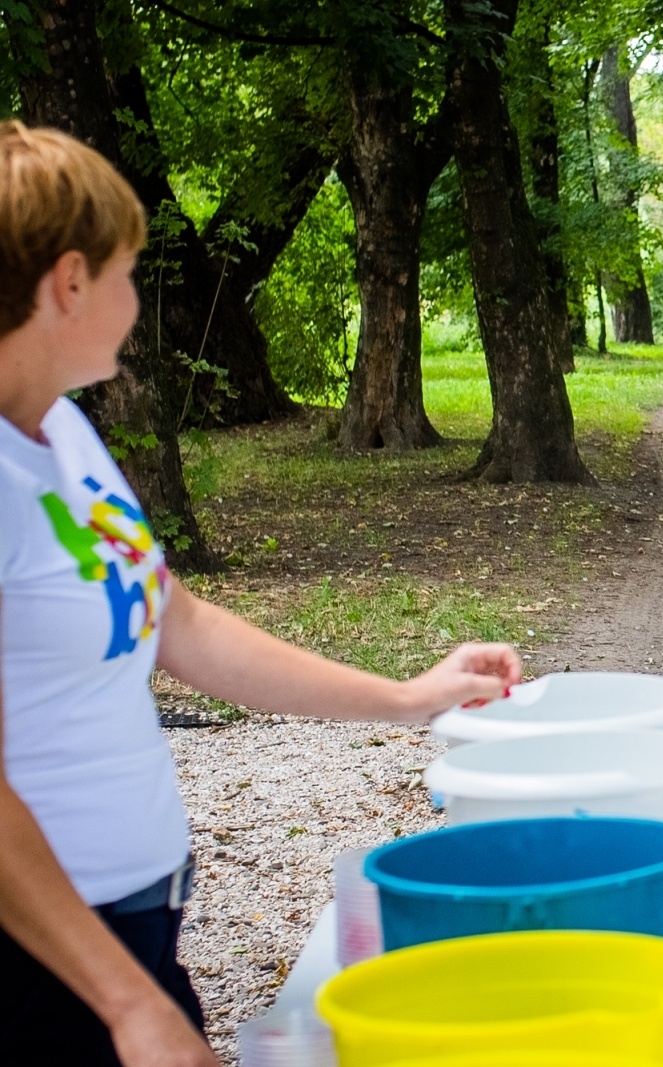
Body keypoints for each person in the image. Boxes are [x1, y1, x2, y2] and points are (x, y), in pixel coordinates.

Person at [0, 121, 522, 1066]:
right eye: (125, 272)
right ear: (68, 282)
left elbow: (181, 624)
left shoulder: (61, 437)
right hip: (44, 961)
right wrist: (126, 1005)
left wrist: (410, 696)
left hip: (131, 923)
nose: (136, 298)